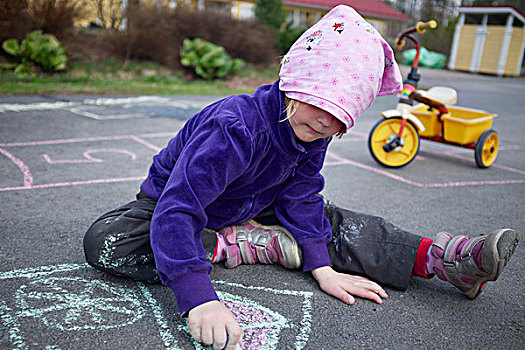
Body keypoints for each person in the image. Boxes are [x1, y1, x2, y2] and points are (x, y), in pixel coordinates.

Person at [82, 6, 520, 350]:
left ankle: (443, 260)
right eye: (321, 105)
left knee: (328, 221)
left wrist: (322, 265)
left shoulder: (312, 129)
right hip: (177, 207)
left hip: (255, 204)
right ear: (295, 81)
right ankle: (235, 243)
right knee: (108, 240)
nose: (327, 123)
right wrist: (198, 296)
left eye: (340, 117)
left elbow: (303, 195)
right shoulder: (235, 128)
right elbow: (179, 207)